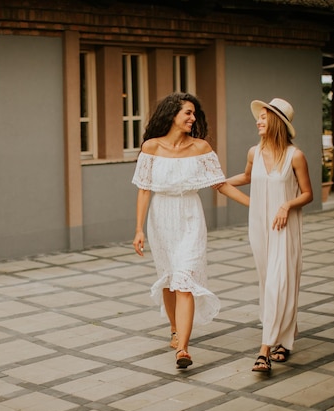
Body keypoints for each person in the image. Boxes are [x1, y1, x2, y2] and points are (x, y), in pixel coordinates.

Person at [132, 92, 249, 369]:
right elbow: (144, 190)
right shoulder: (151, 148)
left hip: (190, 217)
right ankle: (174, 329)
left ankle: (183, 349)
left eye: (194, 113)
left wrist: (254, 205)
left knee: (184, 279)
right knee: (170, 279)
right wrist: (139, 229)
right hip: (161, 218)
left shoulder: (201, 148)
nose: (192, 118)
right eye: (188, 112)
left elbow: (220, 184)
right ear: (172, 114)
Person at [222, 98, 312, 373]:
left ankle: (265, 350)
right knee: (268, 281)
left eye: (263, 117)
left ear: (277, 122)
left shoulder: (295, 155)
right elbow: (248, 177)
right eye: (258, 117)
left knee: (278, 281)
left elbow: (308, 194)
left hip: (285, 227)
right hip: (259, 226)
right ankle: (286, 335)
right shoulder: (254, 152)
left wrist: (286, 204)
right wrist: (218, 180)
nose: (258, 121)